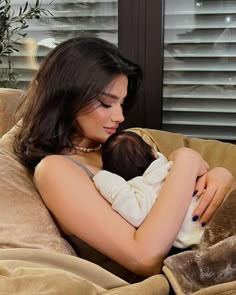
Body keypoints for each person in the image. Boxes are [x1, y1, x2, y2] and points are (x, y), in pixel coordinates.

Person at [14, 36, 235, 282]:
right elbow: (145, 257)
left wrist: (220, 177)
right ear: (68, 98)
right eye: (106, 103)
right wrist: (186, 160)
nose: (120, 116)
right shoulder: (55, 170)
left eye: (122, 102)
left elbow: (169, 186)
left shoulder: (115, 145)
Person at [93, 131, 205, 249]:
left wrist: (102, 176)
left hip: (196, 238)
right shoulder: (172, 166)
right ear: (153, 152)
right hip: (209, 223)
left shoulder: (141, 192)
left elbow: (136, 216)